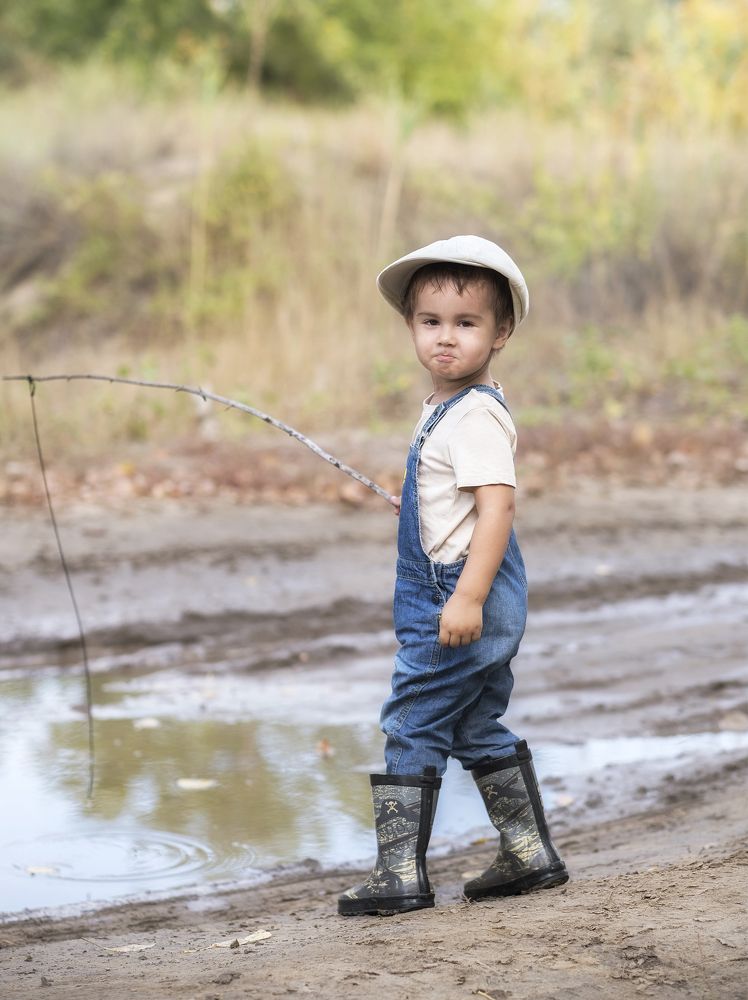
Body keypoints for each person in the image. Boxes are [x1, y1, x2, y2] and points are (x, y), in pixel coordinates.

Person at [338, 235, 568, 917]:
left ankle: (399, 877)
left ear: (501, 333)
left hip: (457, 595)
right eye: (430, 322)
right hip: (456, 589)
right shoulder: (447, 406)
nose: (445, 339)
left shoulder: (476, 415)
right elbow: (460, 499)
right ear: (410, 325)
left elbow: (498, 507)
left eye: (466, 324)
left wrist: (466, 596)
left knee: (411, 718)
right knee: (471, 724)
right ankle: (528, 853)